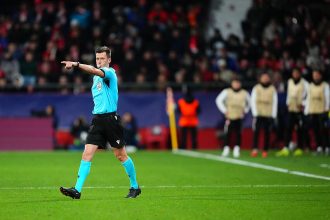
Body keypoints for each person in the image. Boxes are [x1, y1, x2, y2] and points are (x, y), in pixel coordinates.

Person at [59, 46, 141, 199]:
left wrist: (76, 64)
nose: (100, 61)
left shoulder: (109, 73)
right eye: (97, 59)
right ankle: (77, 190)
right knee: (87, 154)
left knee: (121, 155)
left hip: (111, 120)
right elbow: (94, 73)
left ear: (109, 60)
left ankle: (135, 187)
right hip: (97, 120)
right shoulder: (96, 78)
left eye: (103, 58)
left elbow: (94, 70)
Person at [276, 68, 309, 157]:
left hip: (300, 110)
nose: (295, 75)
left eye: (297, 73)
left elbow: (308, 96)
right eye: (294, 73)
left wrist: (303, 104)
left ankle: (300, 148)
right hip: (291, 108)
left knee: (300, 129)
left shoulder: (305, 83)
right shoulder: (289, 82)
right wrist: (288, 103)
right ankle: (286, 147)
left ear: (299, 74)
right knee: (288, 128)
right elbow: (289, 94)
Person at [215, 78, 250, 158]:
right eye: (235, 83)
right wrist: (224, 110)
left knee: (238, 133)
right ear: (232, 84)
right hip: (229, 116)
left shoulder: (244, 93)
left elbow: (249, 103)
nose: (236, 85)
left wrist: (245, 111)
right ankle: (226, 148)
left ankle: (237, 149)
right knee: (228, 132)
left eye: (238, 83)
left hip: (239, 116)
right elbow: (218, 100)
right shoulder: (227, 91)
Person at [251, 72, 278, 158]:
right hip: (258, 113)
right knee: (256, 132)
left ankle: (265, 150)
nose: (265, 79)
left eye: (267, 77)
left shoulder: (272, 89)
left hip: (268, 113)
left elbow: (275, 102)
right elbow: (253, 100)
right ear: (260, 79)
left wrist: (273, 114)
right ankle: (255, 149)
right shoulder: (256, 88)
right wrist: (255, 113)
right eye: (264, 77)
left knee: (267, 132)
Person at [304, 70, 329, 154]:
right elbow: (308, 98)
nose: (315, 76)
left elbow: (328, 98)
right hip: (313, 110)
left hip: (322, 111)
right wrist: (307, 110)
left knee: (323, 130)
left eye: (316, 75)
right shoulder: (310, 86)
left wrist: (327, 108)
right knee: (316, 130)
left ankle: (327, 147)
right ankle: (319, 147)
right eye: (314, 75)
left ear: (320, 76)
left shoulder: (325, 85)